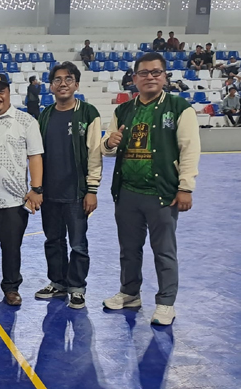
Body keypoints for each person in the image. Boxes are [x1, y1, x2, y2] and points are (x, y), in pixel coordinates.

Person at [101, 52, 201, 326]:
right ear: (134, 79)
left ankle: (166, 303)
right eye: (144, 73)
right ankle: (130, 293)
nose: (150, 77)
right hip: (128, 192)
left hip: (162, 194)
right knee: (129, 249)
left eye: (156, 72)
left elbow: (190, 150)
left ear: (165, 76)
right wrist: (110, 143)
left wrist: (186, 187)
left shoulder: (180, 108)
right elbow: (106, 149)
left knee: (164, 251)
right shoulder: (123, 110)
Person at [0, 72, 44, 307]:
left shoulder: (26, 122)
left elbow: (35, 156)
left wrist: (36, 188)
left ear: (9, 93)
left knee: (12, 248)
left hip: (15, 199)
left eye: (1, 91)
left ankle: (11, 288)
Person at [34, 62, 102, 309]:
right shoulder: (45, 115)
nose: (63, 83)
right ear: (51, 86)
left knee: (78, 244)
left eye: (68, 79)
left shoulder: (88, 113)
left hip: (76, 194)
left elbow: (95, 153)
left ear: (77, 84)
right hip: (50, 193)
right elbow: (37, 155)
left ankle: (77, 287)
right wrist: (37, 188)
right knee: (53, 241)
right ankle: (58, 282)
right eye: (58, 80)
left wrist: (91, 190)